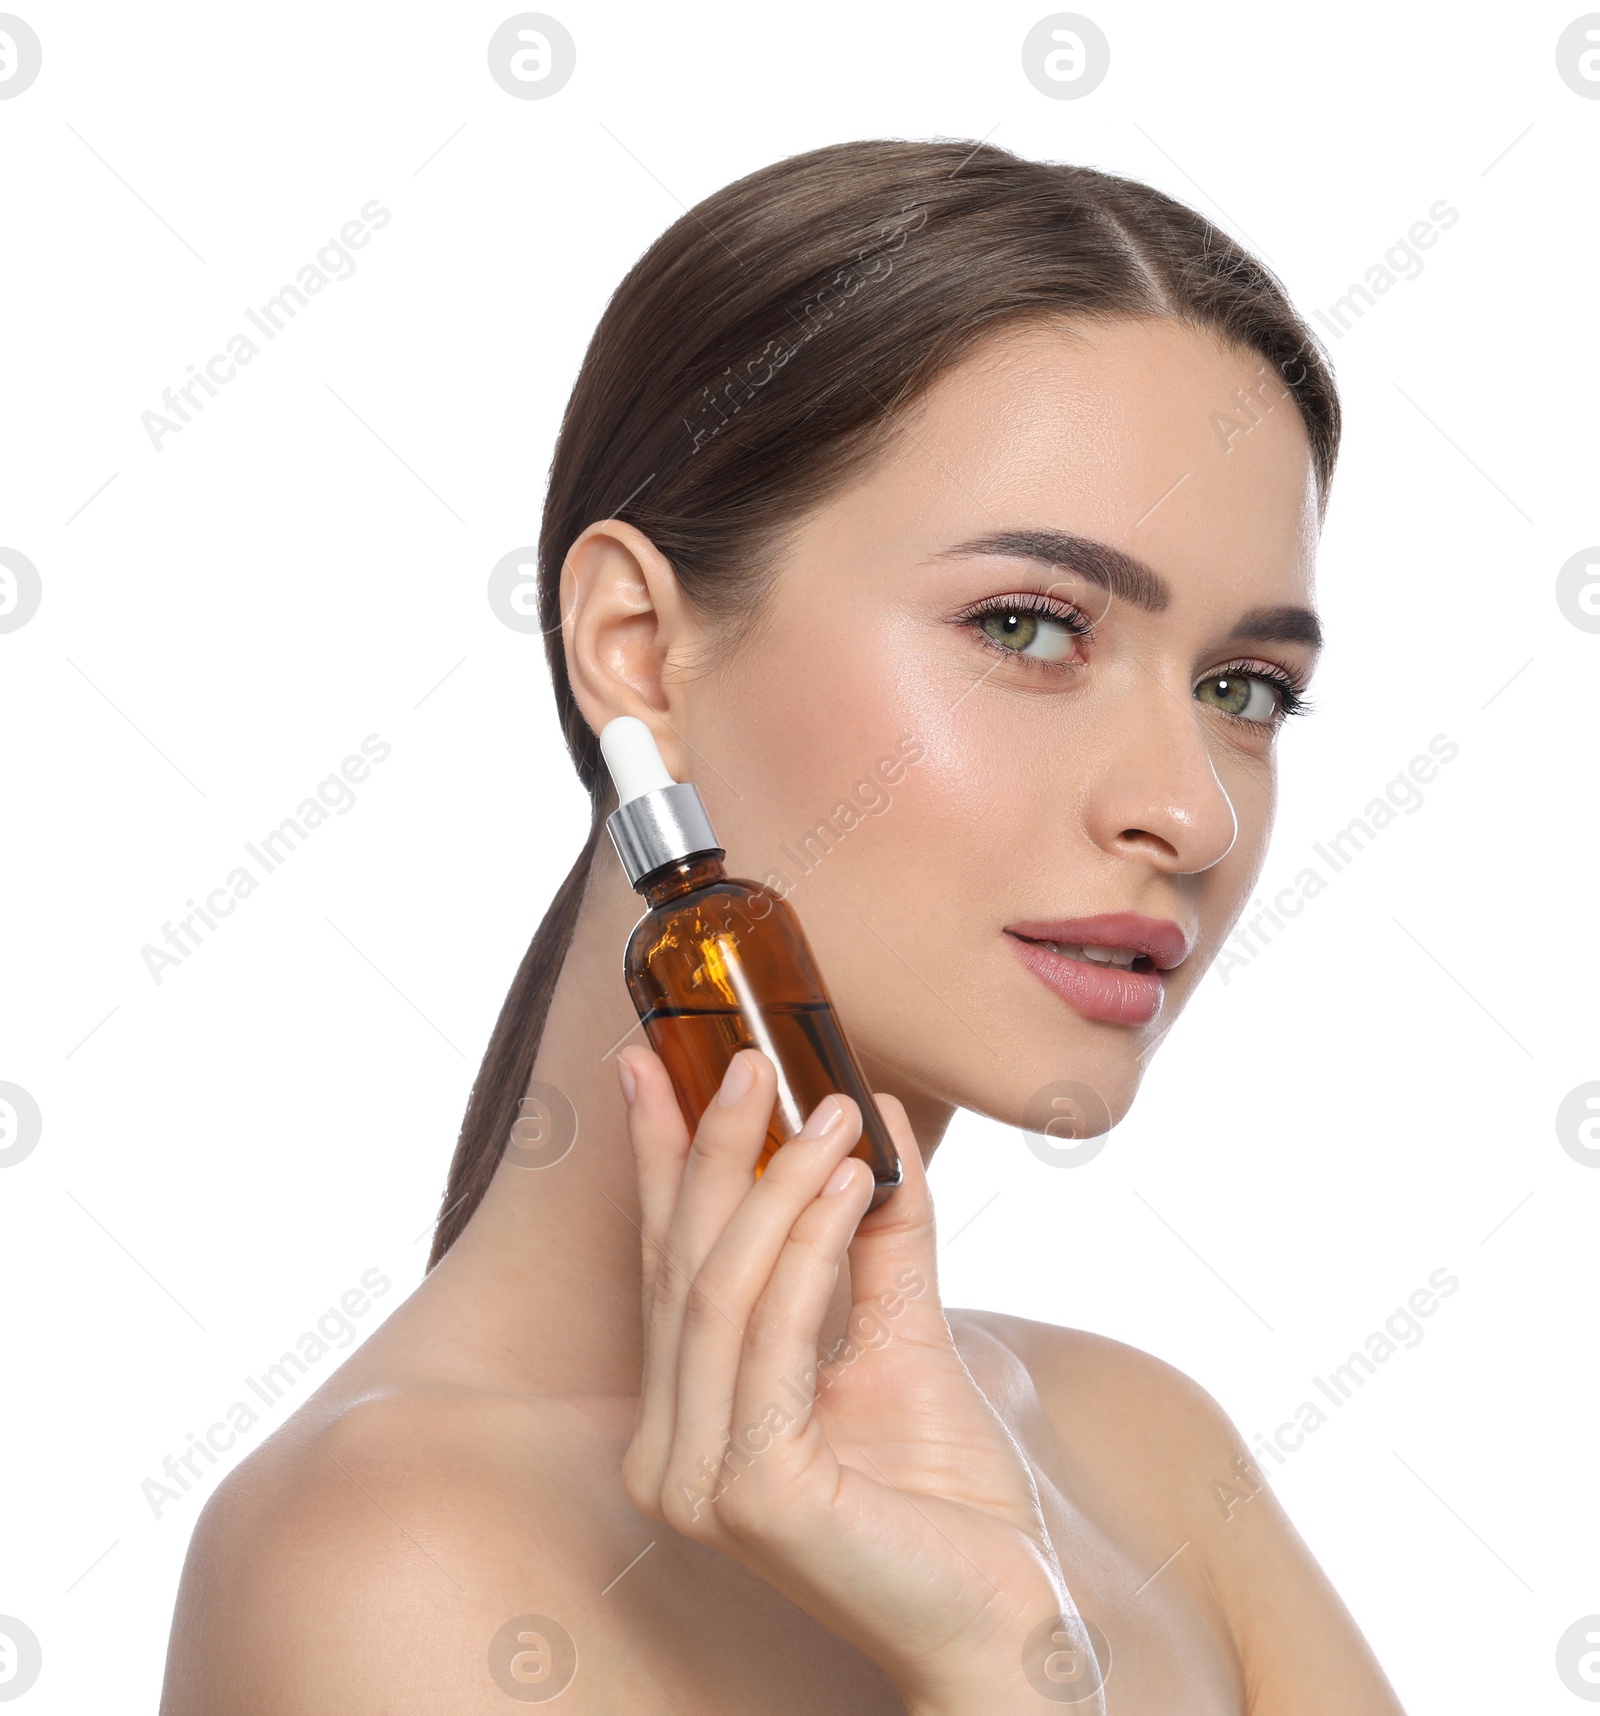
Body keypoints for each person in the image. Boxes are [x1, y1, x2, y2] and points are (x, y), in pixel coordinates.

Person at [161, 138, 1406, 1713]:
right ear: (634, 651)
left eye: (1244, 690)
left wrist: (1001, 1660)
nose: (1192, 809)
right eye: (1028, 627)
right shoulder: (394, 1565)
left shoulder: (1148, 1452)